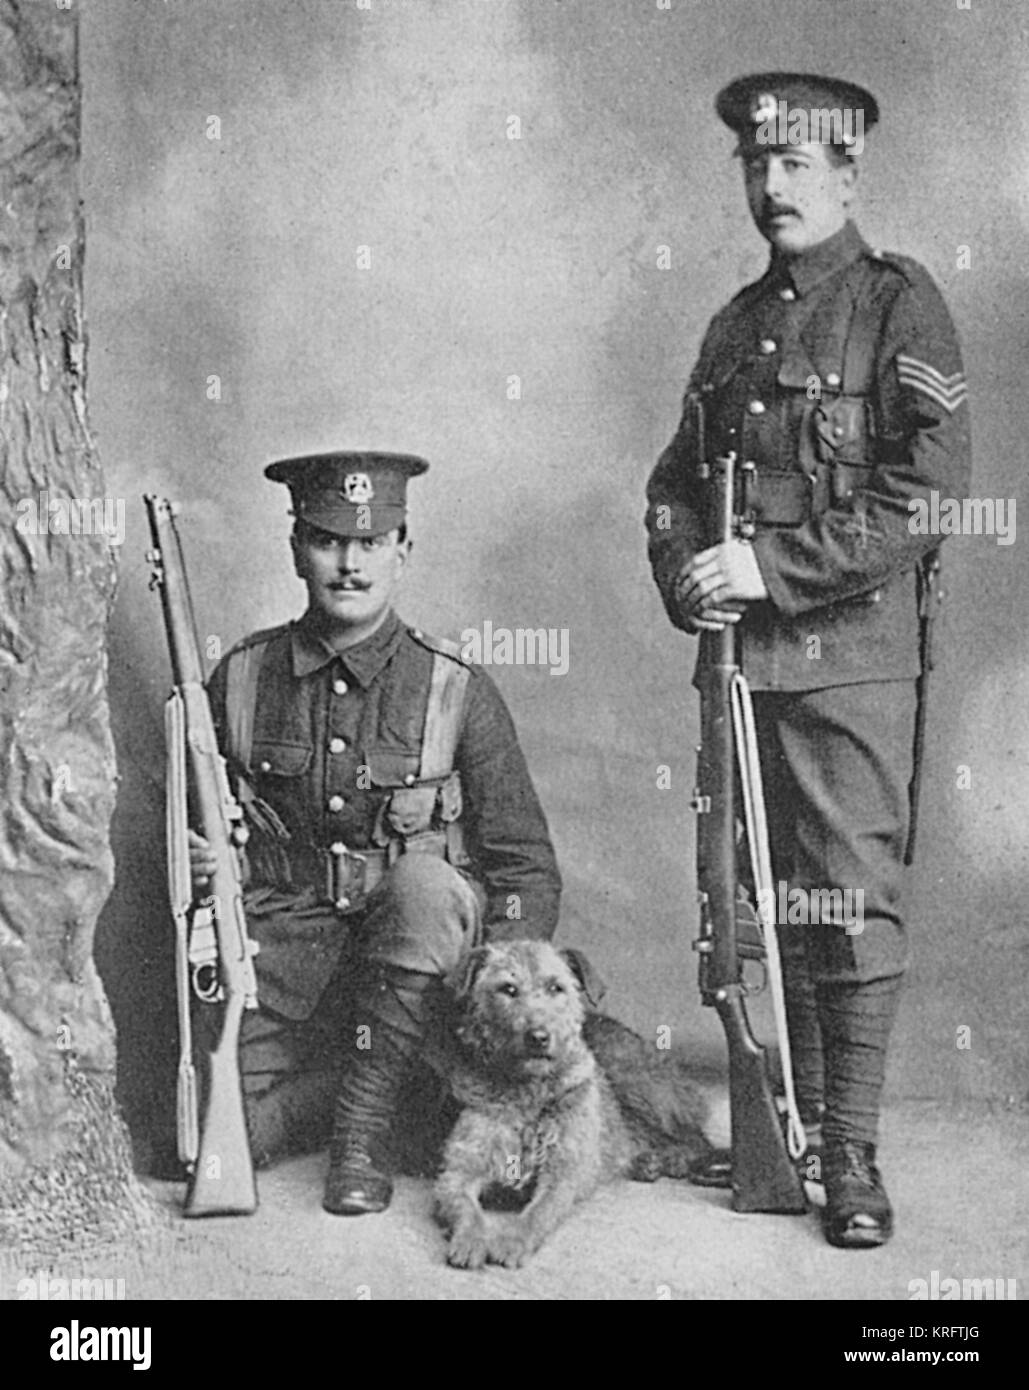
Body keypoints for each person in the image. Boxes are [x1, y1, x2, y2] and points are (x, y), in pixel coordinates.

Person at [645, 73, 970, 1247]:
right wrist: (689, 569)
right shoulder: (735, 328)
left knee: (850, 902)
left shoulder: (899, 307)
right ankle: (794, 1128)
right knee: (770, 911)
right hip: (738, 677)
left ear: (847, 172)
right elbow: (675, 484)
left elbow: (923, 499)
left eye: (797, 164)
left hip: (848, 668)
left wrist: (767, 572)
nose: (773, 184)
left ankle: (854, 1159)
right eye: (756, 164)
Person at [188, 452, 561, 1215]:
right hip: (283, 963)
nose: (350, 564)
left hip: (420, 985)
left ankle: (361, 1133)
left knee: (425, 884)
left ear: (403, 551)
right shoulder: (240, 676)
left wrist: (507, 989)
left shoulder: (454, 687)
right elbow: (199, 824)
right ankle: (360, 1095)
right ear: (297, 548)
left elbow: (524, 868)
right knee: (205, 1137)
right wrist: (197, 856)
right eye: (327, 541)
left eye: (371, 542)